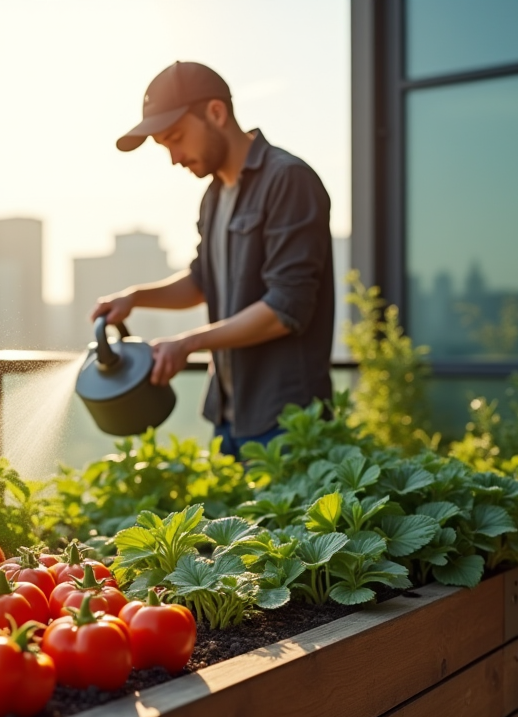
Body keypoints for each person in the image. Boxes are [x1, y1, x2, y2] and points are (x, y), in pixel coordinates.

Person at [91, 61, 335, 458]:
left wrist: (188, 343)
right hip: (228, 416)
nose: (173, 158)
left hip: (289, 424)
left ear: (216, 113)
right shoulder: (215, 195)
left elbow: (286, 309)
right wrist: (134, 297)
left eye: (176, 138)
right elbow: (202, 280)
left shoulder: (288, 180)